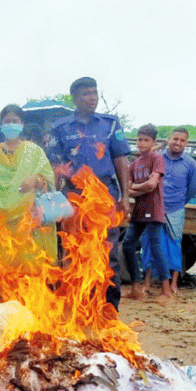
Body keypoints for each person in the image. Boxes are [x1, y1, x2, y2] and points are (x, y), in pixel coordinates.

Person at [47, 76, 132, 312]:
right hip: (74, 196)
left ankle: (108, 308)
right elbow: (54, 164)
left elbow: (121, 160)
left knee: (108, 253)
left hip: (105, 195)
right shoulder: (61, 127)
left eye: (94, 93)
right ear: (75, 98)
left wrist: (125, 197)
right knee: (73, 251)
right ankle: (77, 308)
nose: (92, 98)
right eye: (86, 94)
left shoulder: (110, 123)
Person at [0, 104, 58, 275]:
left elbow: (49, 180)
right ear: (1, 126)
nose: (10, 124)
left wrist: (36, 179)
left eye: (14, 121)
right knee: (7, 268)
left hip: (29, 218)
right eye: (6, 121)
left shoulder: (33, 151)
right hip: (2, 220)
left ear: (22, 124)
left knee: (31, 267)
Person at [122, 124, 169, 301]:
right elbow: (129, 189)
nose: (142, 143)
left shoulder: (157, 159)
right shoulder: (134, 164)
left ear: (153, 142)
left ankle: (167, 291)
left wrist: (135, 188)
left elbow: (152, 184)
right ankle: (136, 286)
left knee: (157, 248)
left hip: (154, 209)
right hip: (139, 210)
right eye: (140, 139)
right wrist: (140, 188)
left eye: (146, 140)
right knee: (127, 245)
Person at [160, 128, 196, 293]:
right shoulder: (157, 158)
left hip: (176, 209)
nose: (178, 143)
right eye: (175, 139)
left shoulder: (190, 164)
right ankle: (153, 283)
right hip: (156, 208)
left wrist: (180, 203)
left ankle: (173, 283)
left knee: (175, 245)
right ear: (169, 139)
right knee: (155, 245)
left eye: (182, 140)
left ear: (186, 143)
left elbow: (192, 189)